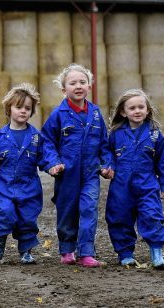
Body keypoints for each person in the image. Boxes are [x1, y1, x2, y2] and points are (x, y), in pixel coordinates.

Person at [41, 64, 114, 268]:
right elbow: (46, 142)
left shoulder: (96, 114)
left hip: (90, 173)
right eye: (73, 83)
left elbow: (104, 144)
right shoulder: (58, 115)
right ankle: (66, 249)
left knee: (89, 209)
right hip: (67, 174)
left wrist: (106, 164)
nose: (78, 86)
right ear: (64, 89)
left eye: (83, 82)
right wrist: (53, 163)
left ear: (89, 87)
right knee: (67, 211)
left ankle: (86, 252)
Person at [0, 83, 64, 264]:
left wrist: (53, 165)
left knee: (27, 218)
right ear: (9, 109)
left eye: (27, 108)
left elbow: (47, 154)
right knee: (3, 212)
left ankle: (26, 251)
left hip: (29, 188)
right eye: (18, 107)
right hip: (4, 186)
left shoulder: (36, 137)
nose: (23, 111)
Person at [105, 89, 164, 269]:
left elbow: (162, 160)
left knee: (152, 215)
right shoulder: (116, 134)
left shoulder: (155, 134)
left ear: (148, 109)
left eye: (141, 107)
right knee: (119, 217)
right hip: (121, 186)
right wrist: (108, 166)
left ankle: (157, 253)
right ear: (123, 112)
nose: (137, 111)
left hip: (147, 184)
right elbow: (107, 154)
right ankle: (125, 253)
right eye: (132, 108)